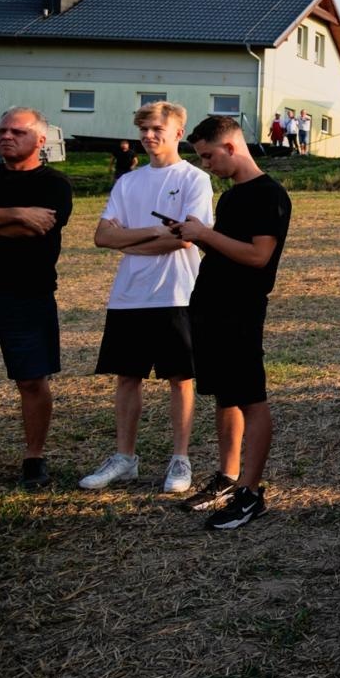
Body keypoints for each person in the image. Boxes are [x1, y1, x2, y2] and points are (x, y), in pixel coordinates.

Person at [81, 101, 213, 494]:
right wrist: (155, 234)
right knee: (127, 378)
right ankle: (125, 459)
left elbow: (185, 236)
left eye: (157, 128)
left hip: (177, 294)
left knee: (180, 379)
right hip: (128, 296)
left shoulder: (194, 179)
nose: (149, 135)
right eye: (143, 129)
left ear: (177, 133)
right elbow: (102, 236)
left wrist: (132, 239)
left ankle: (180, 458)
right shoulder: (128, 182)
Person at [169, 116, 292, 530]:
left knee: (250, 398)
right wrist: (198, 235)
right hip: (210, 307)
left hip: (240, 310)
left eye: (208, 156)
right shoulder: (232, 197)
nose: (206, 165)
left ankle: (252, 494)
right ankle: (228, 476)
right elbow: (227, 250)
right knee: (225, 395)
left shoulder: (269, 195)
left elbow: (258, 257)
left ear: (231, 147)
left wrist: (204, 233)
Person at [0, 107, 73, 489]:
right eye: (2, 131)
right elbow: (25, 225)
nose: (5, 137)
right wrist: (17, 213)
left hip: (29, 296)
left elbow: (39, 231)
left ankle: (34, 457)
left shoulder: (53, 184)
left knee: (32, 381)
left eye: (16, 132)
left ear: (39, 139)